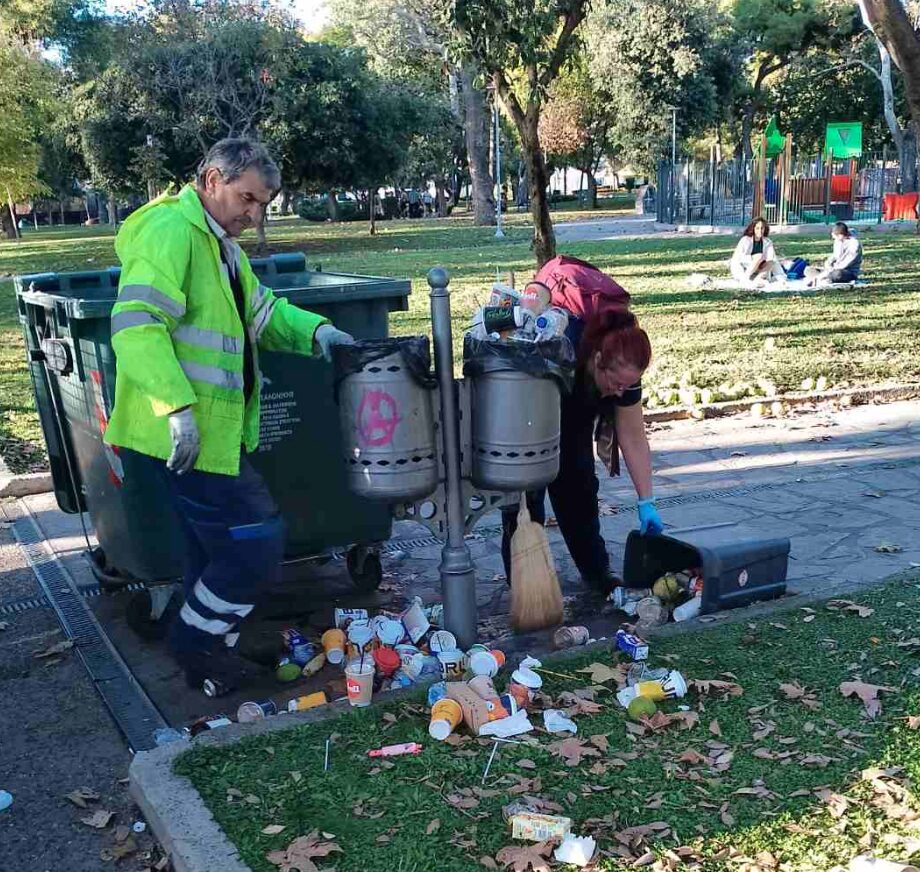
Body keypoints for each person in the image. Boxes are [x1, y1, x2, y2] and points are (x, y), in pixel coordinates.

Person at [104, 138, 355, 694]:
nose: (254, 214)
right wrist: (176, 408)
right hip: (179, 435)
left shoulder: (221, 248)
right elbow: (136, 323)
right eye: (247, 198)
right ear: (212, 180)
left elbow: (262, 313)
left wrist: (318, 332)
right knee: (254, 542)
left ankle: (210, 651)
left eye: (263, 204)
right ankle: (196, 642)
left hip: (206, 435)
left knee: (212, 549)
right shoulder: (174, 234)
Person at [501, 270, 663, 596]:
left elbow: (632, 436)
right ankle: (525, 585)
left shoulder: (623, 364)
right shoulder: (560, 341)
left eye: (628, 386)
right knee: (526, 501)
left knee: (580, 488)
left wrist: (647, 502)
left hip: (575, 414)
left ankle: (598, 575)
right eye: (616, 384)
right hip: (533, 410)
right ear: (598, 360)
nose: (620, 393)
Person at [730, 217, 784, 286]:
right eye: (757, 228)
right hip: (745, 267)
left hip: (760, 268)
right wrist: (740, 276)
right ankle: (745, 279)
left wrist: (781, 276)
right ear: (753, 229)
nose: (760, 231)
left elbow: (773, 259)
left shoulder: (767, 242)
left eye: (762, 228)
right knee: (759, 256)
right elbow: (737, 260)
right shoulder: (745, 240)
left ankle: (758, 279)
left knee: (771, 261)